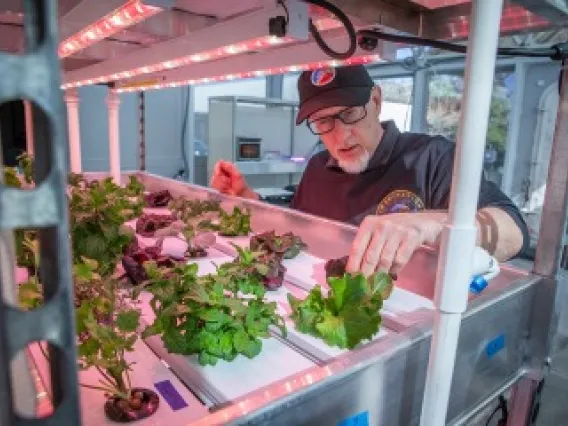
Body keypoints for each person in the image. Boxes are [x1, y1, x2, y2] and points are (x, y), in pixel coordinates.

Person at [211, 65, 529, 277]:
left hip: (412, 320)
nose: (340, 136)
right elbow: (294, 234)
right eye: (324, 122)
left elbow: (514, 232)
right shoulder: (318, 168)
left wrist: (428, 224)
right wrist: (246, 198)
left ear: (376, 101)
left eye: (349, 113)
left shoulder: (431, 157)